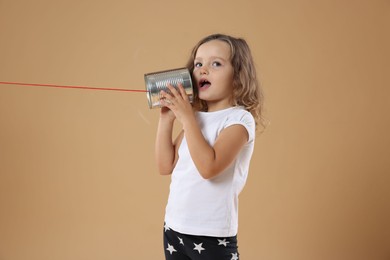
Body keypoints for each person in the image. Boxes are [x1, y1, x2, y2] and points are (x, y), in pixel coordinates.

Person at [155, 34, 264, 260]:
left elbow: (209, 168)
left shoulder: (239, 120)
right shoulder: (196, 118)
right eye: (198, 64)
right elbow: (165, 166)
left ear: (238, 77)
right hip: (175, 228)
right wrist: (166, 120)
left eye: (216, 63)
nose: (203, 70)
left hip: (212, 235)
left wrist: (186, 118)